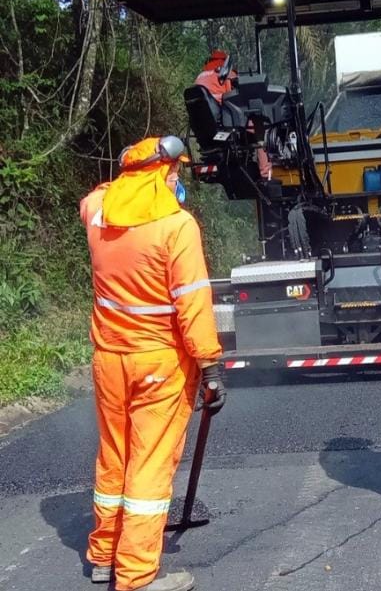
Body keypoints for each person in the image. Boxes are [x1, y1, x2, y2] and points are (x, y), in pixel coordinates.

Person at [80, 136, 225, 591]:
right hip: (159, 363)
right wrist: (210, 366)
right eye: (175, 173)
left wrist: (133, 170)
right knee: (149, 463)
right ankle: (138, 575)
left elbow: (96, 195)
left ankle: (104, 554)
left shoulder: (99, 214)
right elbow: (192, 304)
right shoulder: (176, 227)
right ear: (160, 175)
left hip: (110, 358)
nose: (178, 181)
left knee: (114, 458)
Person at [193, 49, 271, 180]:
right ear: (224, 61)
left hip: (204, 129)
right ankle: (265, 171)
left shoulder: (200, 77)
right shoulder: (224, 73)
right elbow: (235, 96)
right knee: (257, 125)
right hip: (224, 123)